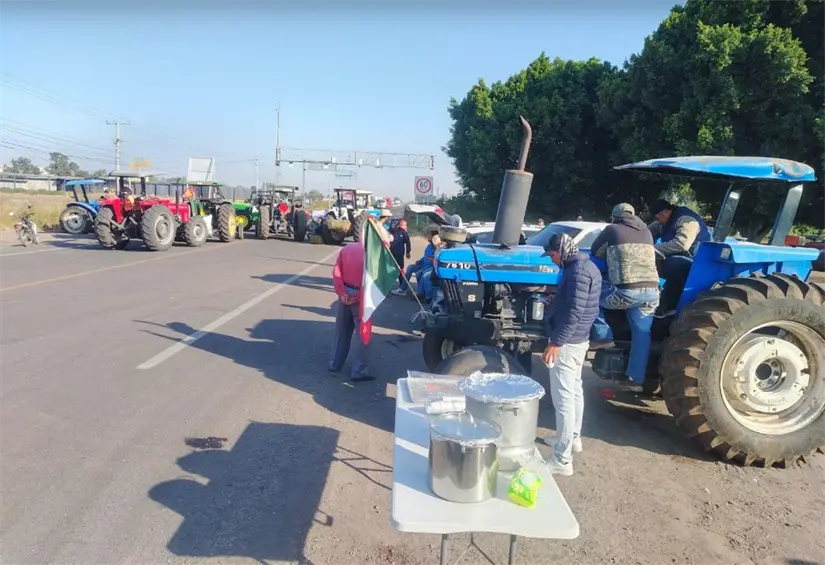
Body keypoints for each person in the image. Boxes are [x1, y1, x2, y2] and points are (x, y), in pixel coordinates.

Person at [539, 233, 601, 476]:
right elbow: (580, 304)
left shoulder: (576, 273)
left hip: (567, 344)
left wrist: (556, 342)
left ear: (562, 250)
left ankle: (562, 460)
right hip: (579, 340)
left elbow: (574, 312)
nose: (552, 260)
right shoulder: (585, 267)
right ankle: (572, 440)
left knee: (563, 399)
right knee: (575, 391)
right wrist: (557, 299)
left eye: (553, 254)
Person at [589, 203, 661, 391]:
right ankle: (635, 379)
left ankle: (604, 336)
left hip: (626, 291)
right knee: (642, 334)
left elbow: (595, 251)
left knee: (591, 296)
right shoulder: (647, 231)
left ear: (615, 217)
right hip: (652, 292)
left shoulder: (612, 229)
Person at [648, 199, 713, 316]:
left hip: (697, 261)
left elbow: (682, 244)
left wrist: (652, 248)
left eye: (657, 217)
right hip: (680, 256)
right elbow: (648, 232)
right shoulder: (664, 222)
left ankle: (667, 307)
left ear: (667, 211)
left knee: (675, 265)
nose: (657, 220)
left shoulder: (687, 220)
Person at [329, 241, 374, 382]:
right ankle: (358, 371)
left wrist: (342, 293)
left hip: (345, 294)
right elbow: (372, 280)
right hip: (362, 296)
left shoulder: (347, 248)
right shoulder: (373, 255)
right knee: (363, 335)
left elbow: (337, 272)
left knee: (342, 331)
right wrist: (358, 297)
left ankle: (335, 364)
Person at [392, 226, 439, 296]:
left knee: (420, 274)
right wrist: (420, 261)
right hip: (423, 264)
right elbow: (425, 256)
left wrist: (431, 260)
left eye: (429, 235)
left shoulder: (437, 248)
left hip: (430, 267)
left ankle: (421, 293)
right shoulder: (429, 246)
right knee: (410, 267)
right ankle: (402, 289)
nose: (428, 237)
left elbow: (436, 261)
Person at [389, 219, 412, 286]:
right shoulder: (388, 231)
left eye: (395, 226)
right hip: (389, 254)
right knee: (389, 269)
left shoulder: (402, 232)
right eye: (393, 225)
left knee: (400, 269)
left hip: (399, 254)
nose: (394, 227)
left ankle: (402, 285)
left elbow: (408, 242)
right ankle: (388, 286)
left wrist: (408, 252)